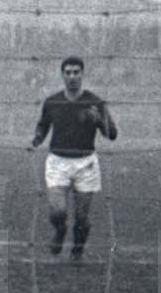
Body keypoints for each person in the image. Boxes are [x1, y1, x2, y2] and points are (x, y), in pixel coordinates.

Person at [26, 56, 117, 262]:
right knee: (58, 211)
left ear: (82, 74)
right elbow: (43, 124)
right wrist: (38, 138)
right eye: (68, 72)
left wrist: (100, 120)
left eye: (76, 72)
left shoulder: (95, 102)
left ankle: (77, 252)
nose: (72, 76)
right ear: (63, 75)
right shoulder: (52, 102)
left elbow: (112, 134)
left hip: (86, 163)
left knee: (82, 217)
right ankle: (60, 230)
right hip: (58, 162)